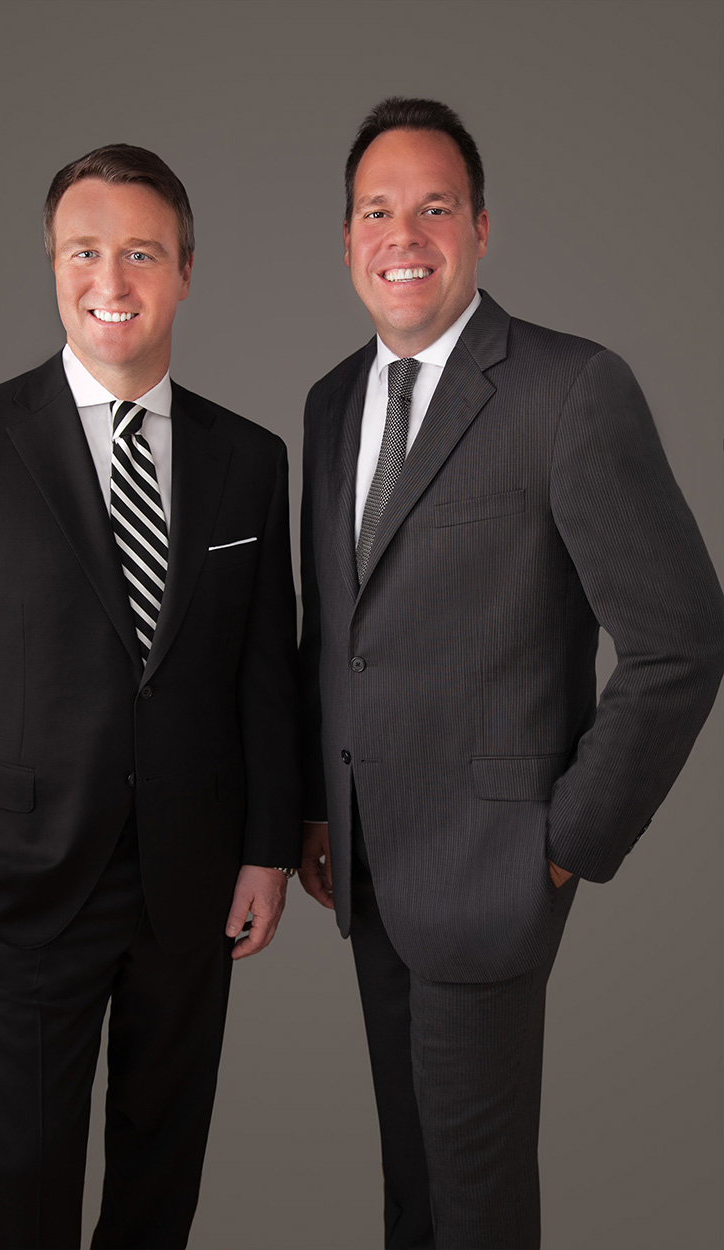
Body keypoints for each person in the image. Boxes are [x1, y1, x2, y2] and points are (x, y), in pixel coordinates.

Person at [298, 97, 724, 1250]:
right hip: (365, 865)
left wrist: (568, 837)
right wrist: (317, 804)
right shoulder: (331, 402)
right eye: (376, 211)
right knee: (410, 1192)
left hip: (494, 867)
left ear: (480, 227)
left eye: (433, 207)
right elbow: (336, 627)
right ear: (345, 239)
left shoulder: (568, 387)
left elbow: (681, 637)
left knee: (476, 1209)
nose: (402, 234)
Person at [0, 143, 301, 1250]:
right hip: (20, 876)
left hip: (192, 880)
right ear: (52, 264)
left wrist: (267, 849)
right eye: (83, 251)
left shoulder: (249, 458)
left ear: (185, 271)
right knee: (25, 1177)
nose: (110, 279)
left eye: (141, 252)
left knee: (162, 1173)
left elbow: (266, 671)